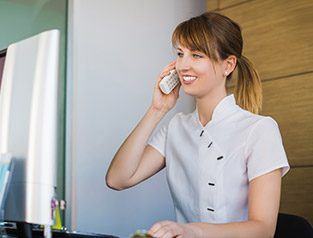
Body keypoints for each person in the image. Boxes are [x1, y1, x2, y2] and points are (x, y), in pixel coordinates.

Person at [106, 11, 290, 238]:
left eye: (196, 55)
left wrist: (190, 231)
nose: (183, 65)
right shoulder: (175, 127)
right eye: (180, 54)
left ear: (228, 65)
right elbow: (117, 179)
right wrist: (157, 109)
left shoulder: (260, 129)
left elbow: (263, 229)